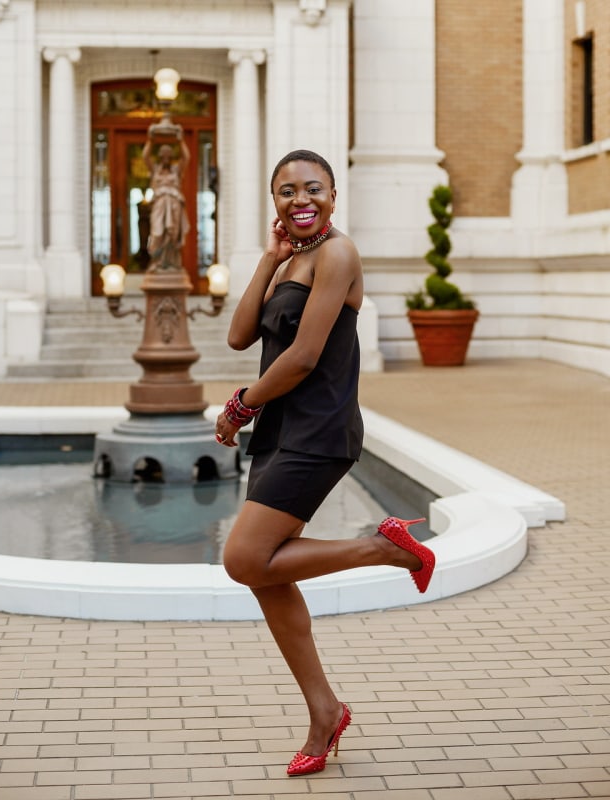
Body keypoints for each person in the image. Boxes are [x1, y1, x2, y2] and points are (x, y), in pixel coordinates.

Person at [215, 149, 435, 777]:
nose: (299, 200)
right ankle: (324, 710)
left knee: (243, 559)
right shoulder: (296, 258)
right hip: (285, 431)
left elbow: (306, 356)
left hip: (319, 429)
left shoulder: (338, 255)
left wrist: (239, 406)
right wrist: (269, 259)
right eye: (286, 192)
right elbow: (238, 336)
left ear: (334, 196)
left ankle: (384, 549)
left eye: (312, 189)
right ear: (275, 203)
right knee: (267, 576)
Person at [142, 130, 190, 271]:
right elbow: (145, 156)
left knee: (172, 234)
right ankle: (156, 262)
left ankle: (172, 263)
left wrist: (181, 141)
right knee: (157, 233)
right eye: (163, 154)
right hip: (159, 205)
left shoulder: (176, 171)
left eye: (169, 154)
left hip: (174, 205)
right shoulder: (155, 170)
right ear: (160, 156)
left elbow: (186, 157)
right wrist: (150, 140)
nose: (166, 157)